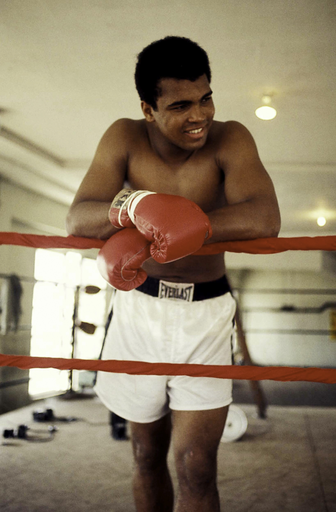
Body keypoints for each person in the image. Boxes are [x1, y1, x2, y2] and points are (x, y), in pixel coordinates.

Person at [66, 36, 281, 512]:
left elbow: (265, 217)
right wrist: (140, 206)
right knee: (146, 455)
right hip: (139, 308)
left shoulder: (231, 137)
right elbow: (78, 217)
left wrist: (190, 226)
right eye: (181, 105)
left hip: (205, 313)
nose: (200, 116)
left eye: (205, 98)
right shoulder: (124, 136)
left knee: (197, 466)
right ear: (148, 109)